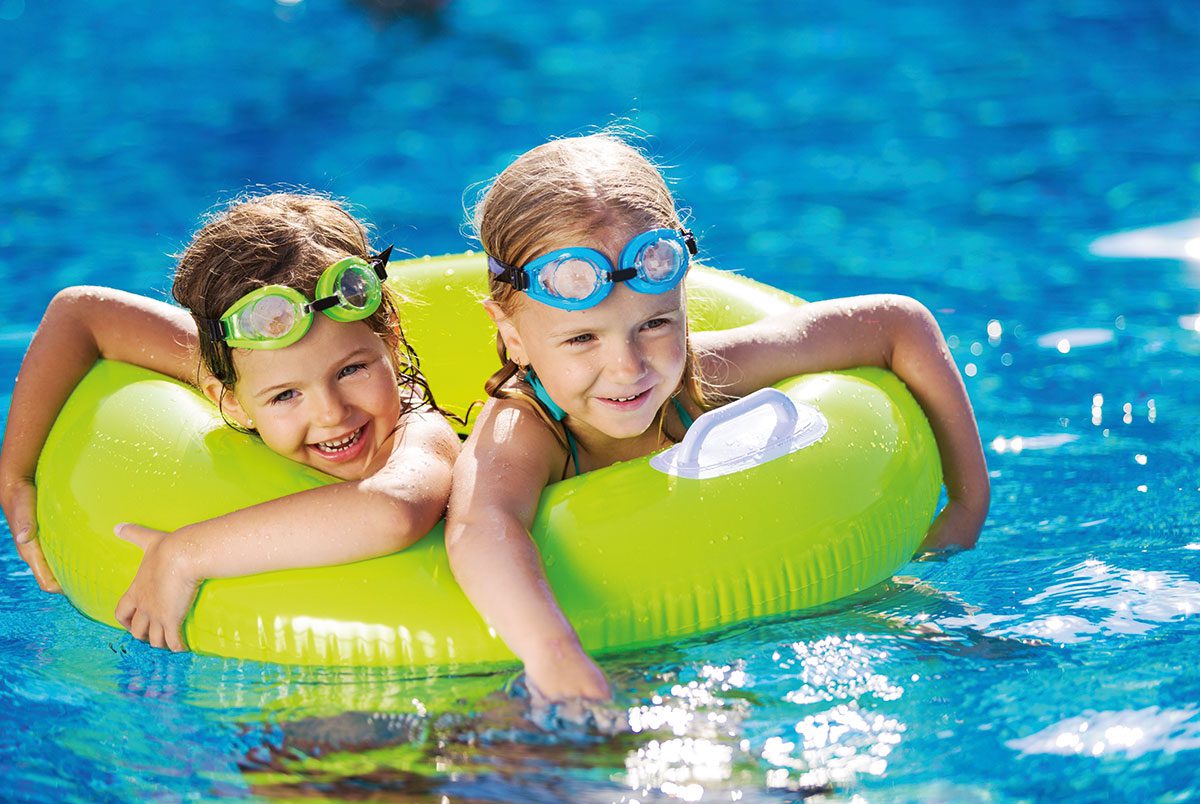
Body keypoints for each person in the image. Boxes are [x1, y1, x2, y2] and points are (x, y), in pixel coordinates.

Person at [444, 132, 990, 702]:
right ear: (514, 336)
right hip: (602, 646)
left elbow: (899, 325)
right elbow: (481, 524)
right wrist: (554, 655)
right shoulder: (526, 427)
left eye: (654, 325)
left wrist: (968, 503)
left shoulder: (701, 375)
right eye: (582, 338)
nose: (628, 369)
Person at [0, 192, 460, 652]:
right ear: (230, 402)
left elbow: (395, 510)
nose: (331, 413)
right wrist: (14, 477)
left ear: (391, 341)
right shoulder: (249, 364)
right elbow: (81, 312)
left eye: (351, 370)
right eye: (286, 395)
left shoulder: (417, 431)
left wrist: (183, 555)